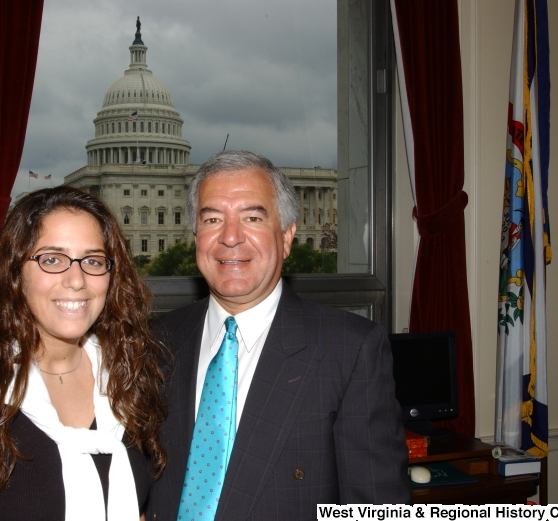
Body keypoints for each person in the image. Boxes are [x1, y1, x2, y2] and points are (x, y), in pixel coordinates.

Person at [146, 150, 411, 520]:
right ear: (196, 238)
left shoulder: (349, 350)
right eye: (212, 219)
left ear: (286, 237)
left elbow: (375, 508)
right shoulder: (154, 341)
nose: (230, 237)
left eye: (252, 217)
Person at [0, 186, 167, 521]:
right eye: (52, 259)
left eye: (93, 261)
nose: (77, 280)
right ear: (15, 273)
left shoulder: (124, 376)